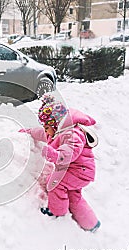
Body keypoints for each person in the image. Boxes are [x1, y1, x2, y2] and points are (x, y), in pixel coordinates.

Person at [19, 95, 100, 232]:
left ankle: (57, 211)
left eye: (46, 127)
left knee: (55, 184)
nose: (45, 130)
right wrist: (28, 132)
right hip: (76, 171)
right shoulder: (56, 131)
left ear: (55, 124)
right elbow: (41, 134)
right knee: (75, 197)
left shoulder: (73, 134)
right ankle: (91, 224)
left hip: (80, 171)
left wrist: (53, 154)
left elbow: (68, 153)